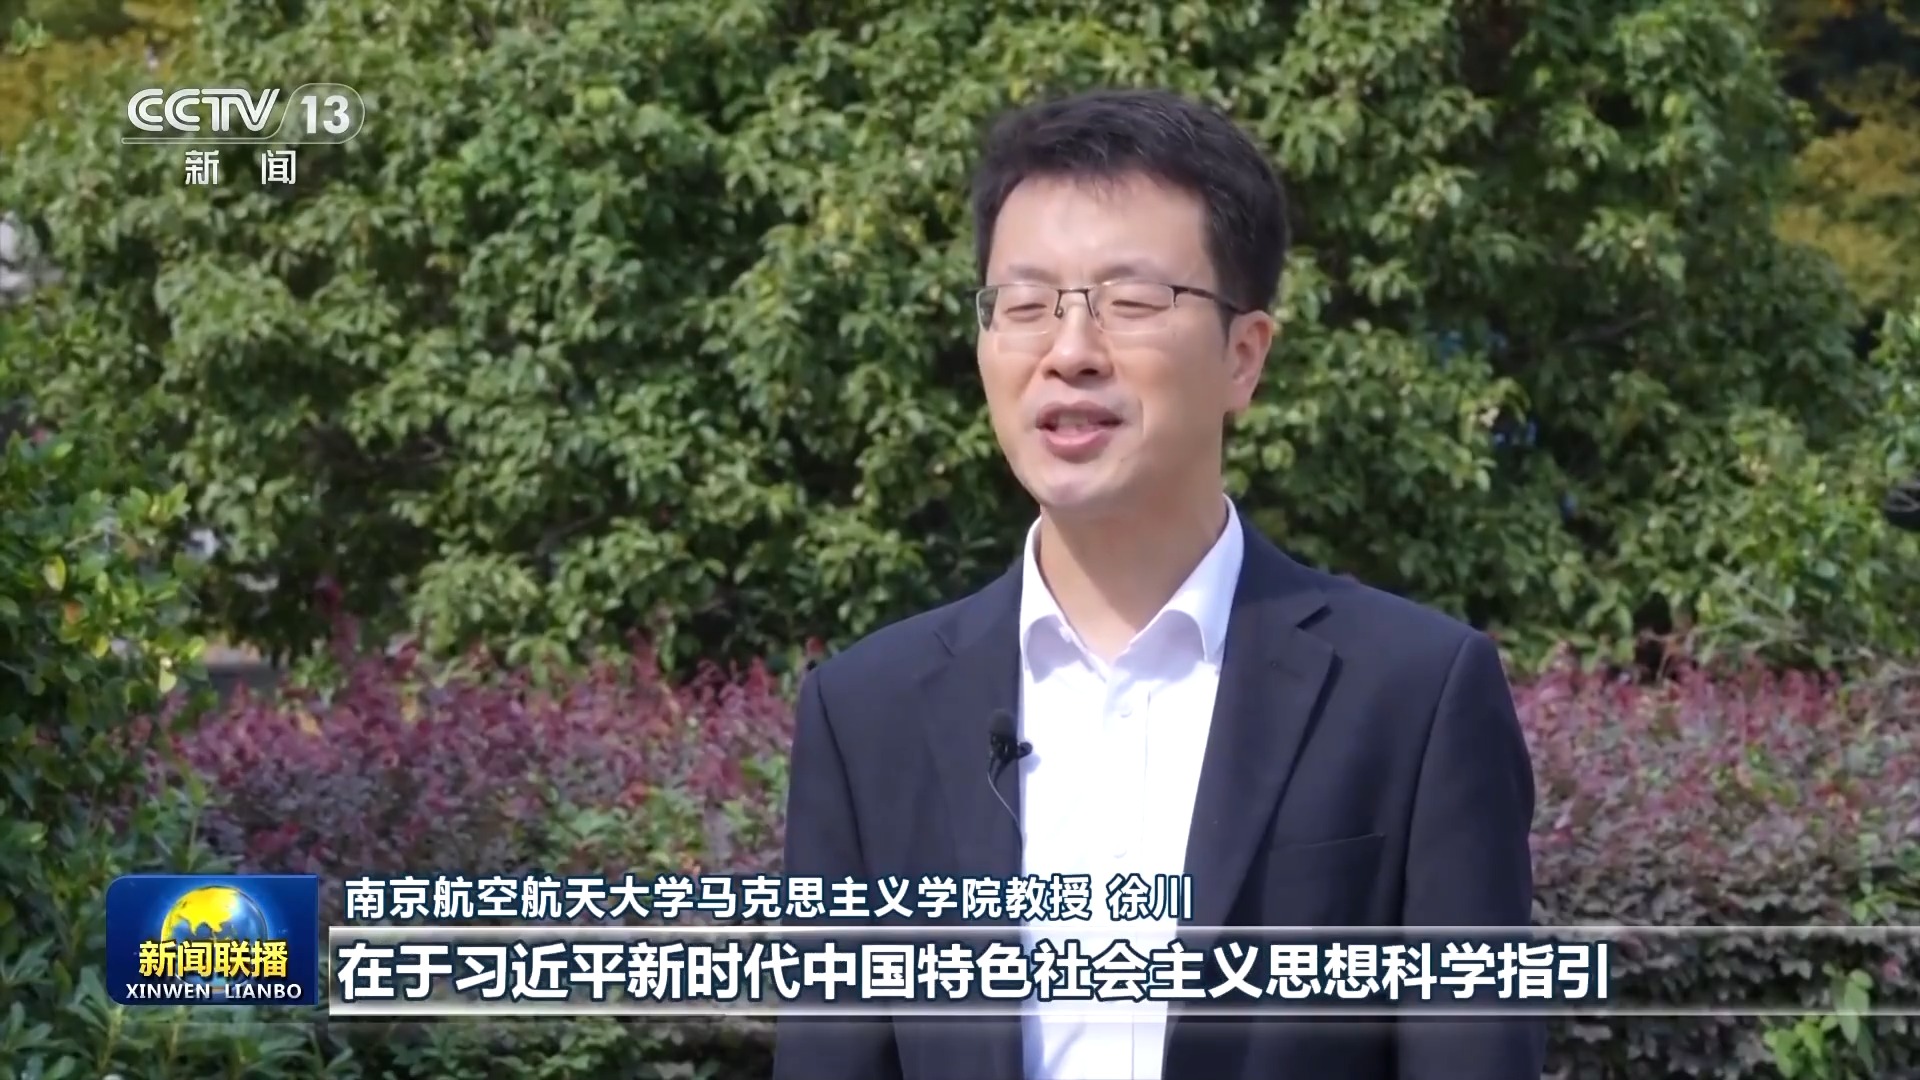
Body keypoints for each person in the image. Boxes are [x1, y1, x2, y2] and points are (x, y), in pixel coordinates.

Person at [772, 87, 1544, 1080]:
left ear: (1243, 357)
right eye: (1025, 305)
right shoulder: (866, 714)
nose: (1070, 353)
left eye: (1131, 303)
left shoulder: (1414, 696)